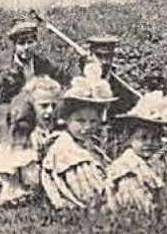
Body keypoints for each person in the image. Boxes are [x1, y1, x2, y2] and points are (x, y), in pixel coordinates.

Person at [0, 75, 63, 209]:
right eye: (43, 106)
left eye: (54, 105)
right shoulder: (26, 132)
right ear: (31, 107)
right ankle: (10, 195)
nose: (50, 111)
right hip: (29, 176)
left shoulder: (57, 129)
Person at [40, 74, 115, 211]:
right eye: (80, 121)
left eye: (93, 122)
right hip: (84, 196)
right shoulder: (67, 150)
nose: (87, 127)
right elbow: (88, 192)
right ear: (66, 119)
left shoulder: (86, 144)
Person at [107, 90, 167, 216]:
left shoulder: (156, 164)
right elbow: (136, 205)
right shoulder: (126, 169)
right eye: (143, 138)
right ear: (130, 139)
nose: (149, 143)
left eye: (154, 138)